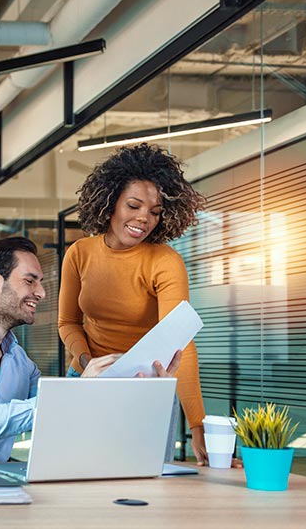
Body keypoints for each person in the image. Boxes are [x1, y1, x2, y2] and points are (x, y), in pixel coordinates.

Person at [0, 236, 180, 462]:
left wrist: (141, 388)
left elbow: (64, 419)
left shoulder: (19, 361)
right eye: (30, 280)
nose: (42, 293)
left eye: (40, 283)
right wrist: (79, 391)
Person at [58, 142, 211, 465]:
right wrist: (88, 364)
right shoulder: (79, 254)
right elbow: (67, 323)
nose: (144, 219)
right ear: (110, 202)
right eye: (134, 205)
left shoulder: (164, 261)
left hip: (145, 386)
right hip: (87, 380)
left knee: (147, 481)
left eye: (155, 211)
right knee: (76, 472)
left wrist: (198, 424)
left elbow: (182, 345)